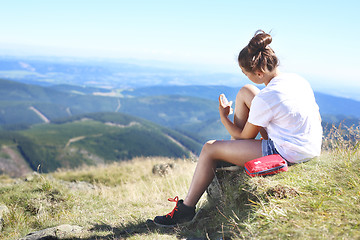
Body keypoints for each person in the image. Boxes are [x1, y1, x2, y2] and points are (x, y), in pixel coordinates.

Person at [153, 30, 323, 227]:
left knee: (209, 148)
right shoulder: (298, 80)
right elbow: (315, 116)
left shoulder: (267, 98)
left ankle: (185, 210)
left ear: (259, 73)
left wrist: (224, 117)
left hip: (289, 153)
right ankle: (233, 157)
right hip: (310, 146)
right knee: (246, 91)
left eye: (246, 73)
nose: (246, 76)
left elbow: (243, 137)